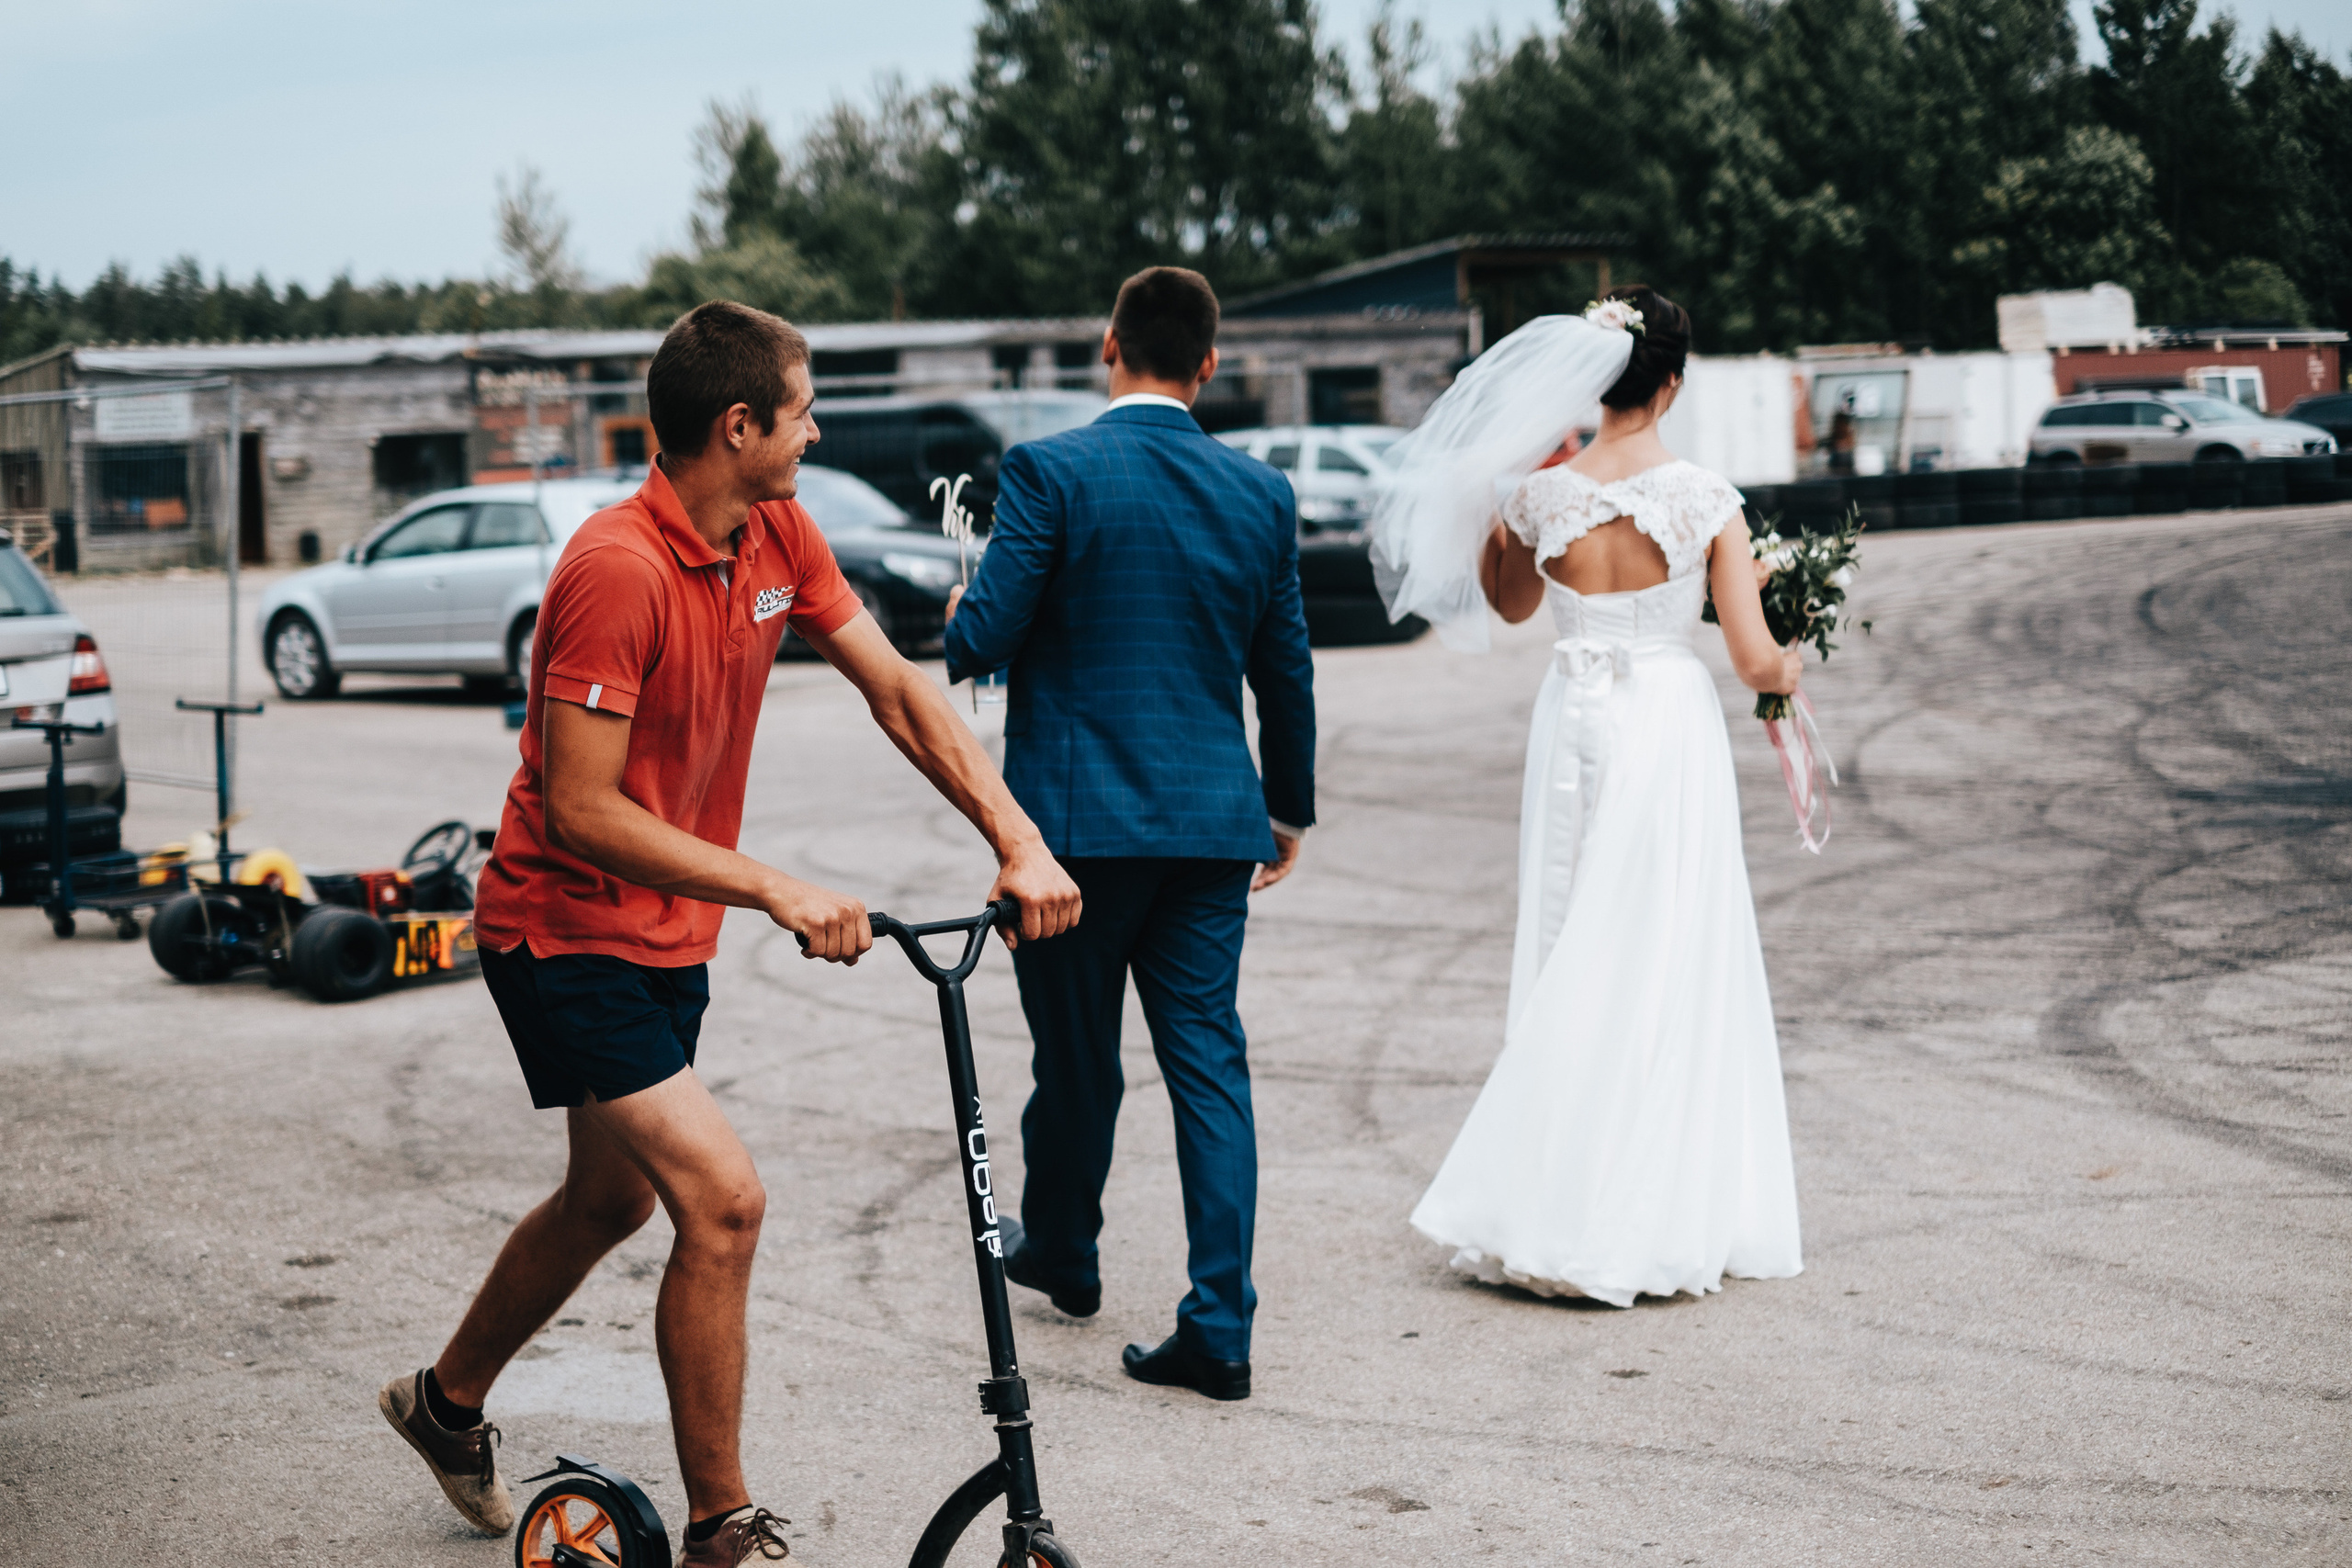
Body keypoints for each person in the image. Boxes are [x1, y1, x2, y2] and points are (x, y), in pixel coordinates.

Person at [376, 299, 1081, 1565]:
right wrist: (776, 887)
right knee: (724, 1200)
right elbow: (583, 810)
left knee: (608, 1200)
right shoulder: (614, 569)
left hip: (665, 933)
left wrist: (1016, 838)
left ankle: (444, 1402)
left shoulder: (778, 530)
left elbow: (902, 694)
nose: (816, 429)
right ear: (737, 422)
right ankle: (721, 1524)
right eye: (800, 410)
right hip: (560, 927)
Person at [1374, 287, 1804, 1305]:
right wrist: (1794, 662)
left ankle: (1549, 1185)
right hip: (1664, 720)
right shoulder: (1706, 500)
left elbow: (1513, 606)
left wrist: (1495, 512)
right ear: (1674, 383)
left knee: (1576, 933)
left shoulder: (1542, 496)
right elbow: (1751, 661)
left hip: (1573, 714)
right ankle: (1638, 1201)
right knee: (1660, 944)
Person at [942, 265, 1316, 1401]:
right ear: (1207, 365)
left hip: (1069, 839)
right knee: (1209, 1064)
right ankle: (1220, 1325)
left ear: (1110, 346)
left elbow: (978, 642)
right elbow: (1284, 670)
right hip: (1212, 827)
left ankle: (1062, 1247)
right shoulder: (1259, 494)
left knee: (1077, 1060)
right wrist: (1284, 808)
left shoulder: (1051, 470)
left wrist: (967, 600)